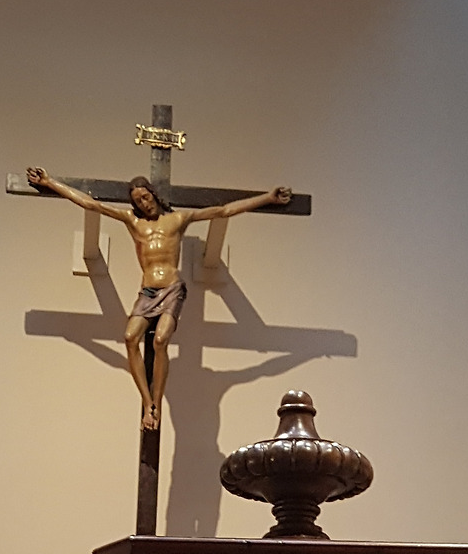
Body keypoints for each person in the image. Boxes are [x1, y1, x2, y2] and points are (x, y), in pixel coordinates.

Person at [26, 166, 290, 429]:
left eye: (146, 196)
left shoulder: (177, 220)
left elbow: (223, 211)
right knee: (130, 337)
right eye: (138, 200)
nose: (144, 203)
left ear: (153, 194)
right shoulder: (133, 222)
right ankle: (147, 400)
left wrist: (268, 198)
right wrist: (50, 182)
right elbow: (91, 204)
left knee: (161, 340)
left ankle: (156, 404)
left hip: (172, 288)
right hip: (148, 291)